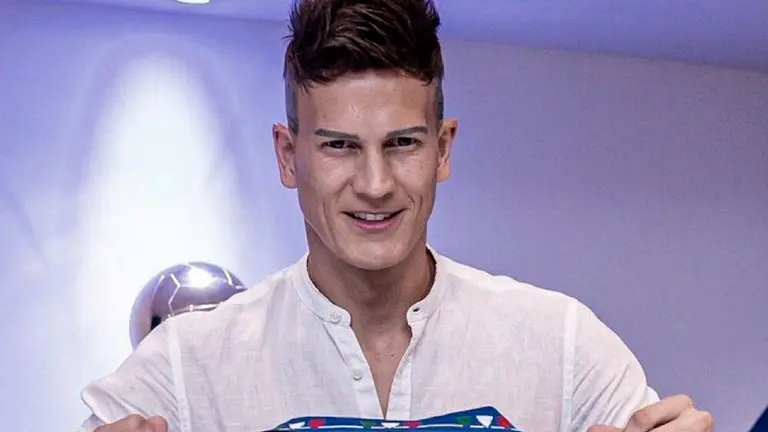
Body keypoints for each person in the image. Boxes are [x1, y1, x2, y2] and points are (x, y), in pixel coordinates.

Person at [79, 1, 714, 431]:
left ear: (443, 149)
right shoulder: (186, 366)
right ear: (288, 155)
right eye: (339, 145)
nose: (375, 184)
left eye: (403, 143)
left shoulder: (565, 348)